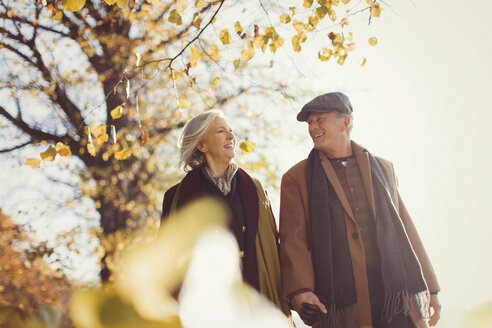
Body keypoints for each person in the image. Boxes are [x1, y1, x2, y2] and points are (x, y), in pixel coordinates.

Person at [279, 92, 441, 328]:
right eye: (309, 123)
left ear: (345, 122)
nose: (312, 127)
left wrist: (431, 289)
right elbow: (294, 241)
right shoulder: (297, 178)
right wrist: (300, 290)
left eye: (319, 119)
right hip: (342, 303)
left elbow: (405, 228)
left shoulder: (384, 167)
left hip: (396, 297)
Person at [161, 110, 290, 316]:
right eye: (221, 131)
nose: (231, 136)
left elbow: (274, 247)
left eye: (231, 131)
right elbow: (167, 262)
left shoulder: (256, 189)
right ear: (201, 145)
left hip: (256, 304)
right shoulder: (174, 198)